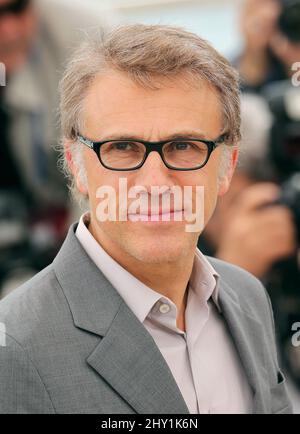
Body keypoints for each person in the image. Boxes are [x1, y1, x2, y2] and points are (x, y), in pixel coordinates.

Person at [0, 24, 293, 414]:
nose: (155, 182)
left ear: (228, 166)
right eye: (121, 147)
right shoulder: (14, 348)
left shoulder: (248, 296)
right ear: (74, 163)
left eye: (184, 145)